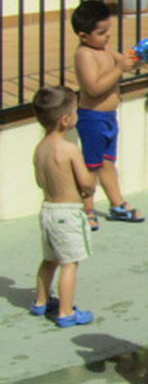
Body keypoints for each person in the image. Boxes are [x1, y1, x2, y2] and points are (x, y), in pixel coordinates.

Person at [71, 0, 143, 230]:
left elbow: (121, 62)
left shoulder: (103, 48)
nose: (107, 37)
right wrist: (120, 68)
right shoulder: (84, 55)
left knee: (108, 163)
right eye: (101, 33)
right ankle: (87, 209)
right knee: (92, 166)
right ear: (83, 36)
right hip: (92, 118)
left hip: (109, 118)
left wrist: (134, 59)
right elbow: (94, 87)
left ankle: (117, 204)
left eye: (108, 31)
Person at [29, 85, 96, 327]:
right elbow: (86, 184)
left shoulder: (41, 149)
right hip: (68, 214)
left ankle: (40, 301)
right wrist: (90, 182)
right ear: (66, 119)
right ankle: (66, 311)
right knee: (70, 262)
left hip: (47, 210)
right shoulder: (69, 149)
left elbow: (40, 181)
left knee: (50, 259)